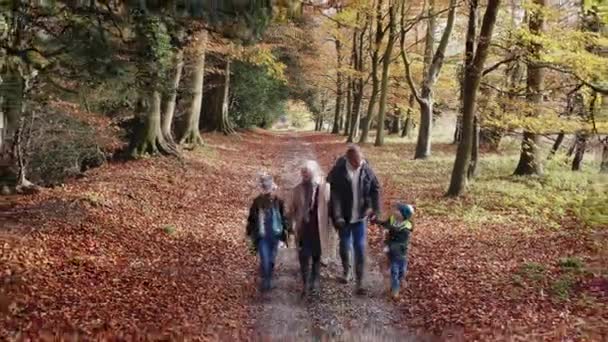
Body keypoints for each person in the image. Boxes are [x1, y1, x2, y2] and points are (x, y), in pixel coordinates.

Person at [327, 144, 381, 294]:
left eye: (360, 161)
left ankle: (360, 282)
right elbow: (334, 195)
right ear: (348, 159)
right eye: (355, 162)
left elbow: (375, 189)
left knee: (360, 247)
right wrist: (337, 215)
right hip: (343, 218)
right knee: (345, 245)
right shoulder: (339, 171)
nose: (359, 164)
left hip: (360, 217)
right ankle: (346, 271)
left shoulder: (366, 169)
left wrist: (374, 209)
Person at [290, 160, 332, 297]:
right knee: (303, 256)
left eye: (306, 173)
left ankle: (315, 281)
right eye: (303, 173)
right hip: (304, 229)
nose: (304, 175)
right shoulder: (297, 190)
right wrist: (288, 225)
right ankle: (305, 283)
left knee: (316, 256)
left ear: (313, 172)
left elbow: (332, 207)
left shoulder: (325, 188)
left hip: (318, 229)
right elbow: (291, 210)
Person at [246, 174, 290, 293]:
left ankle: (269, 279)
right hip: (262, 236)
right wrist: (249, 232)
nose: (268, 192)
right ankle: (265, 281)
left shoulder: (279, 202)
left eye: (269, 189)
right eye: (265, 189)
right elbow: (251, 219)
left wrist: (288, 230)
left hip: (274, 236)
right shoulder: (257, 202)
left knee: (271, 260)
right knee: (264, 259)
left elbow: (284, 217)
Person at [377, 203, 414, 300]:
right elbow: (386, 223)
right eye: (395, 209)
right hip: (392, 253)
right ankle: (395, 290)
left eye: (397, 210)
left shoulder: (406, 227)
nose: (394, 211)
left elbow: (399, 238)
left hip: (400, 253)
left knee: (401, 271)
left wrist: (389, 246)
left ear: (403, 214)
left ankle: (401, 281)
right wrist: (377, 221)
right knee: (394, 271)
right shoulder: (393, 219)